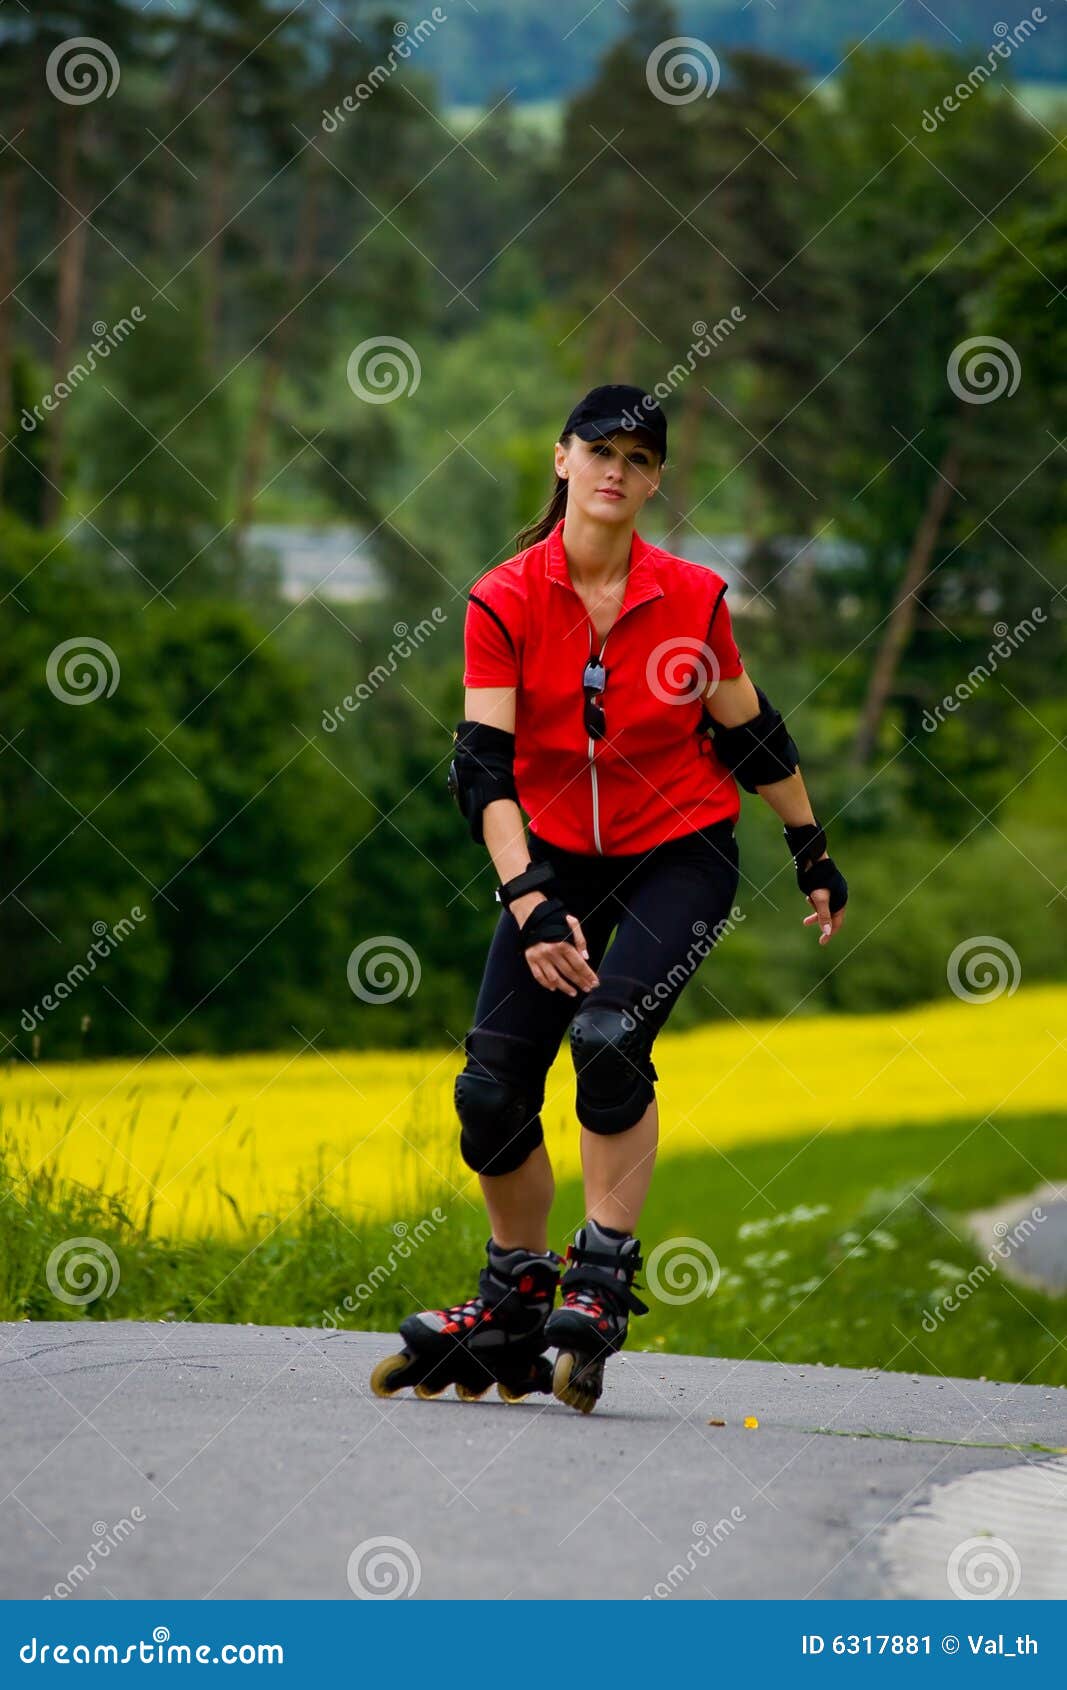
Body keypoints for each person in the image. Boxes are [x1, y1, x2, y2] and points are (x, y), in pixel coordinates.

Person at [373, 384, 848, 1415]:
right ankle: (514, 1291)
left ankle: (602, 1268)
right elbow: (482, 770)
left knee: (605, 1032)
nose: (615, 471)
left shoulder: (690, 598)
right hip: (547, 858)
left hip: (679, 849)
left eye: (638, 458)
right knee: (488, 1092)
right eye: (599, 450)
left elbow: (749, 730)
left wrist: (808, 842)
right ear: (560, 460)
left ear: (655, 480)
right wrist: (530, 900)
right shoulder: (503, 598)